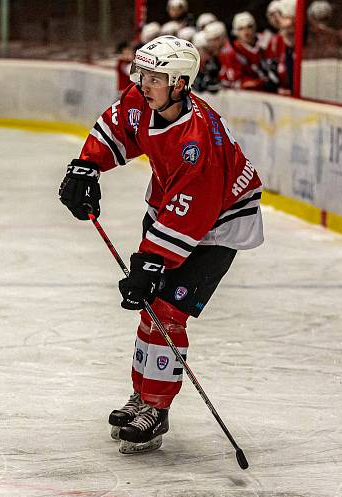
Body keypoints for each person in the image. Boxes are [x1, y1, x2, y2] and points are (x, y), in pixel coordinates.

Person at [58, 35, 264, 454]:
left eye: (156, 77)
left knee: (167, 309)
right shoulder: (145, 100)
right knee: (150, 307)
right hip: (175, 208)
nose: (143, 83)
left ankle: (156, 407)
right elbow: (117, 126)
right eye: (144, 74)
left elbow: (196, 211)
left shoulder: (197, 140)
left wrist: (151, 262)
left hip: (220, 223)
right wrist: (86, 166)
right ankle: (141, 395)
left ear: (180, 84)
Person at [221, 12, 279, 92]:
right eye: (241, 29)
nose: (246, 32)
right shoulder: (231, 50)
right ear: (235, 32)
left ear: (255, 27)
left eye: (249, 27)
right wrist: (260, 83)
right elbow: (237, 81)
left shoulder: (268, 41)